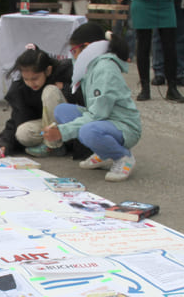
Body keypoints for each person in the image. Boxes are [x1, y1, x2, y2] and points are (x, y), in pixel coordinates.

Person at [41, 22, 140, 182]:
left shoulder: (105, 69)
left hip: (124, 126)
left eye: (74, 51)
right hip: (105, 119)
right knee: (62, 111)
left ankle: (123, 156)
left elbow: (98, 114)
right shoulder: (91, 66)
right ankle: (104, 153)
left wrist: (63, 131)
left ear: (86, 47)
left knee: (88, 131)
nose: (72, 56)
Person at [0, 45, 73, 158]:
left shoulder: (64, 74)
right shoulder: (21, 89)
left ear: (48, 71)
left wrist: (65, 90)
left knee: (50, 91)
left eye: (35, 78)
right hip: (46, 130)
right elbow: (15, 120)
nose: (31, 83)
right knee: (23, 133)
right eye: (26, 79)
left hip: (69, 125)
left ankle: (54, 146)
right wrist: (3, 145)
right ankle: (49, 141)